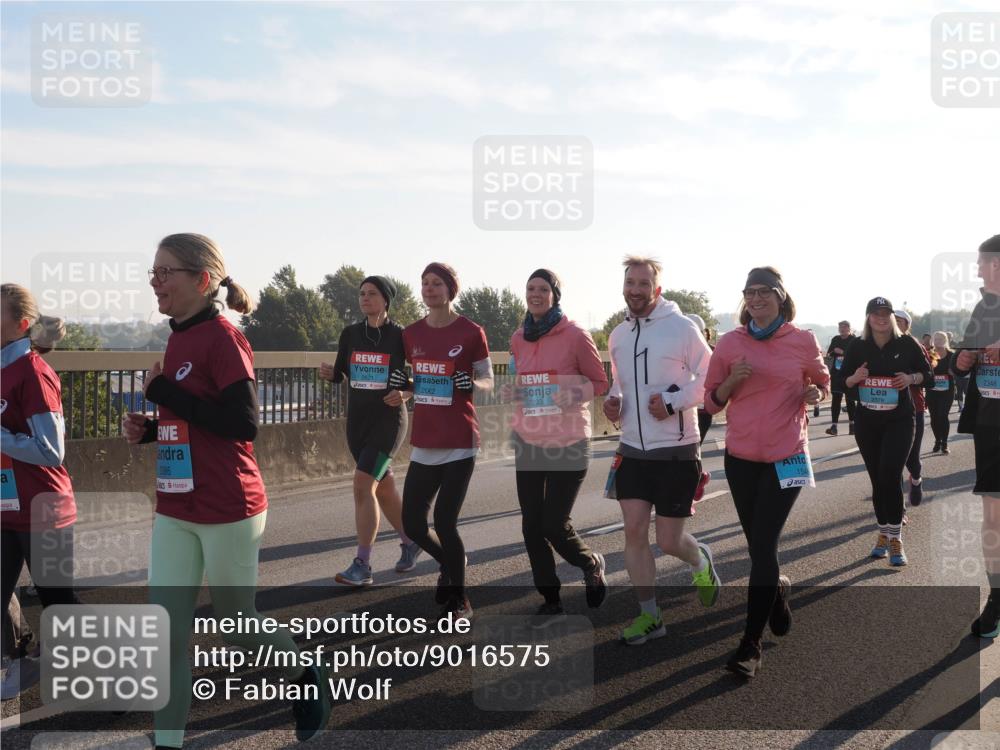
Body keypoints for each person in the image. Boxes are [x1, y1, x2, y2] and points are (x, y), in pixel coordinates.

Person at [122, 234, 330, 748]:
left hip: (228, 506)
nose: (155, 281)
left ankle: (307, 675)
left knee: (237, 627)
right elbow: (192, 418)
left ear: (203, 279)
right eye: (153, 271)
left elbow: (243, 423)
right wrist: (152, 428)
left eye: (165, 272)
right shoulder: (176, 339)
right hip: (175, 506)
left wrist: (163, 391)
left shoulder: (222, 337)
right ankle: (166, 741)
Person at [703, 267, 829, 678]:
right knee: (759, 549)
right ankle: (774, 591)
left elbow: (823, 383)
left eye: (764, 292)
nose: (756, 299)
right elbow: (711, 401)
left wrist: (816, 392)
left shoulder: (802, 339)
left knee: (764, 545)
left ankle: (750, 645)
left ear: (780, 296)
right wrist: (729, 384)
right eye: (749, 292)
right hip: (739, 458)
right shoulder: (729, 343)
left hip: (787, 454)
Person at [602, 256, 719, 646]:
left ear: (657, 289)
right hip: (632, 449)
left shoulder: (682, 328)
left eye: (642, 283)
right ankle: (650, 616)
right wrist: (613, 400)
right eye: (629, 282)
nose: (635, 289)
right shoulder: (618, 334)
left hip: (676, 450)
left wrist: (674, 402)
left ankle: (700, 560)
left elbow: (711, 377)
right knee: (634, 532)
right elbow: (619, 383)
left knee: (669, 541)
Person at [506, 269, 609, 623]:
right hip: (530, 440)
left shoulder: (576, 335)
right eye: (530, 288)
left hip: (569, 440)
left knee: (553, 523)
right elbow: (522, 382)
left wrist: (570, 393)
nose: (535, 294)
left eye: (543, 289)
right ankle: (551, 598)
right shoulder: (519, 337)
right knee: (531, 526)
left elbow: (599, 382)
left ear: (555, 295)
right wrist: (515, 394)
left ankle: (590, 562)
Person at [398, 263, 493, 623]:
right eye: (424, 283)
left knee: (445, 521)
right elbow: (410, 381)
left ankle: (460, 600)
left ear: (450, 290)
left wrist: (473, 384)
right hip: (425, 440)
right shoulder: (411, 334)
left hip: (459, 441)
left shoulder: (471, 331)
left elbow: (487, 380)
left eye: (437, 283)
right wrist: (402, 390)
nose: (429, 289)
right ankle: (451, 564)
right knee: (414, 523)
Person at [0, 292, 79, 700]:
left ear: (22, 325)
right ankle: (14, 664)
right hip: (6, 507)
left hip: (43, 506)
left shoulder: (33, 373)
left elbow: (51, 450)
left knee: (58, 602)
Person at [319, 276, 419, 585]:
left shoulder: (402, 335)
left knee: (363, 485)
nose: (365, 298)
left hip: (388, 422)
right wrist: (331, 375)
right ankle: (411, 541)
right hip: (357, 422)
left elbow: (421, 375)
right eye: (362, 293)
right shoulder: (350, 333)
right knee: (384, 489)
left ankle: (362, 564)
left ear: (386, 299)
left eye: (372, 293)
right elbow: (341, 373)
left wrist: (406, 392)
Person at [842, 298, 932, 567]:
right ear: (868, 317)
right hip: (868, 422)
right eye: (876, 314)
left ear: (892, 317)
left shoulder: (906, 344)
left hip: (900, 421)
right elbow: (841, 382)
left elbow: (927, 373)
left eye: (886, 314)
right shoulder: (858, 345)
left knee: (890, 475)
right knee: (877, 480)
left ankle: (896, 539)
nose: (881, 318)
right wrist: (854, 378)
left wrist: (910, 378)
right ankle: (883, 533)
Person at [952, 235, 1000, 639]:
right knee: (993, 518)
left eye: (982, 263)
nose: (978, 270)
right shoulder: (983, 307)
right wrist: (963, 359)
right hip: (989, 423)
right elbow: (962, 361)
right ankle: (996, 598)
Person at [895, 309, 933, 507]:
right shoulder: (876, 347)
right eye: (892, 319)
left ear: (907, 325)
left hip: (914, 408)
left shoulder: (914, 346)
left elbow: (929, 377)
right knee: (893, 463)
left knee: (911, 459)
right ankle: (898, 509)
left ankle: (916, 478)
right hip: (886, 411)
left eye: (899, 321)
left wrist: (911, 377)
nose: (894, 323)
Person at [825, 320, 858, 436]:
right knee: (836, 399)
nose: (842, 329)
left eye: (844, 327)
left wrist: (843, 352)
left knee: (850, 400)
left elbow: (856, 356)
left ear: (849, 328)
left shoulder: (854, 340)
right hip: (837, 373)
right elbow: (828, 354)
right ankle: (834, 426)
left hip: (850, 374)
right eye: (840, 327)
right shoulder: (835, 339)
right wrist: (834, 351)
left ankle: (852, 425)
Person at [927, 331, 956, 455]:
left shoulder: (951, 355)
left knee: (942, 415)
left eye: (941, 339)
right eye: (936, 339)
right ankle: (937, 440)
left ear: (945, 340)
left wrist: (953, 372)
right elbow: (923, 371)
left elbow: (959, 371)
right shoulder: (929, 354)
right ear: (933, 340)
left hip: (947, 391)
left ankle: (944, 443)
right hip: (932, 391)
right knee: (934, 417)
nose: (938, 341)